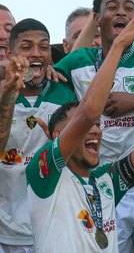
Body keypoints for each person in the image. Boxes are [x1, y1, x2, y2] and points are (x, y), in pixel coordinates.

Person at [26, 11, 134, 252]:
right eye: (83, 128)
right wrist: (119, 43)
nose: (95, 130)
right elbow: (87, 113)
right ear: (57, 137)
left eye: (98, 125)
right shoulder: (43, 174)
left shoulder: (107, 181)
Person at [0, 18, 77, 252]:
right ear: (10, 53)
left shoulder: (66, 93)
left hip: (53, 228)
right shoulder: (2, 92)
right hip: (5, 231)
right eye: (26, 47)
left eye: (44, 47)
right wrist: (11, 89)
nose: (36, 53)